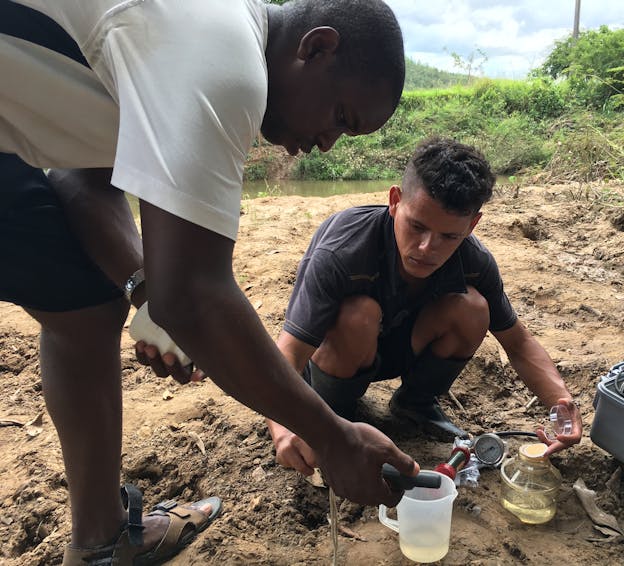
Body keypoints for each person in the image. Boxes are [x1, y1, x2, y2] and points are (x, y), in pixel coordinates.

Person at [1, 1, 418, 564]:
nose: (327, 144)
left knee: (85, 304)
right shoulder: (226, 64)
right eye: (341, 117)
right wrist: (335, 437)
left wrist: (148, 294)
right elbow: (196, 296)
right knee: (88, 302)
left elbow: (83, 178)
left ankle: (101, 543)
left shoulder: (199, 36)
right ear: (315, 48)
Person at [265, 138, 583, 477]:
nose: (427, 248)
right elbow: (289, 355)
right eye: (416, 226)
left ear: (472, 225)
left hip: (402, 346)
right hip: (338, 357)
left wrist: (560, 406)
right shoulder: (343, 250)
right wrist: (284, 430)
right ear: (394, 201)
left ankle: (414, 404)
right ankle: (338, 414)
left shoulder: (475, 259)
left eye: (449, 236)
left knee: (474, 308)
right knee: (358, 315)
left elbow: (518, 342)